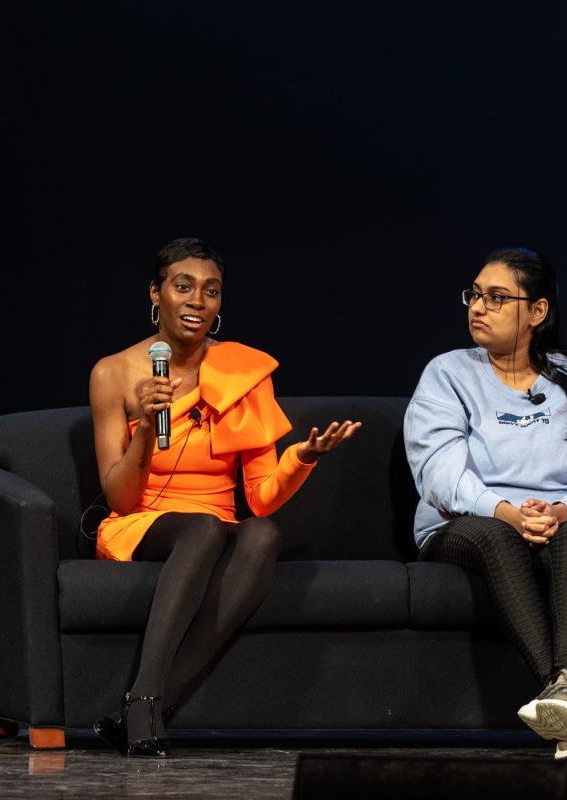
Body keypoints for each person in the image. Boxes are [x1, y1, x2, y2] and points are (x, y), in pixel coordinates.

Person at [89, 237, 359, 757]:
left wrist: (301, 457)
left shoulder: (243, 372)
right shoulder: (113, 373)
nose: (197, 301)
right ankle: (145, 698)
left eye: (210, 291)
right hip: (143, 522)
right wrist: (147, 424)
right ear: (155, 293)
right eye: (183, 287)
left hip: (214, 525)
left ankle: (148, 706)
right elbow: (120, 500)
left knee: (260, 536)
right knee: (206, 527)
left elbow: (258, 499)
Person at [403, 247, 567, 760]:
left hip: (561, 524)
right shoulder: (448, 373)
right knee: (493, 532)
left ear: (538, 312)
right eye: (475, 295)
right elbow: (440, 478)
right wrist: (508, 512)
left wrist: (560, 512)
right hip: (466, 527)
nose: (478, 307)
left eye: (497, 298)